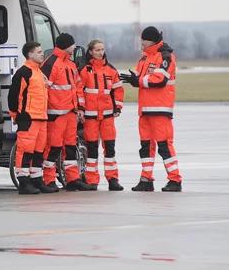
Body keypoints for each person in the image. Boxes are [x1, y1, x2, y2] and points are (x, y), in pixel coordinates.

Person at [121, 26, 183, 192]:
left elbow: (160, 79)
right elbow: (140, 78)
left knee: (164, 145)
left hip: (160, 109)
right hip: (145, 110)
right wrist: (133, 79)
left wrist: (138, 81)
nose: (141, 43)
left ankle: (175, 180)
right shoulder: (143, 59)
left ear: (151, 40)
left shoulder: (165, 56)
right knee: (145, 147)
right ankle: (146, 179)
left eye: (143, 40)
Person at [41, 33, 92, 191]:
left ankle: (72, 180)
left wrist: (81, 109)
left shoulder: (70, 64)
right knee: (53, 147)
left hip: (70, 113)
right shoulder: (51, 63)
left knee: (70, 148)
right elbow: (43, 90)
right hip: (55, 114)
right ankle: (48, 180)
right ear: (65, 45)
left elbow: (77, 88)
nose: (74, 48)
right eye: (72, 45)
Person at [78, 39, 125, 191]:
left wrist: (117, 106)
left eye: (102, 49)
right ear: (90, 52)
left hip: (107, 117)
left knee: (110, 150)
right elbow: (79, 91)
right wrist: (81, 108)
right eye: (97, 50)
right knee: (92, 150)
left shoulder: (111, 70)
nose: (100, 52)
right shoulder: (85, 70)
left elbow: (118, 90)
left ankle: (113, 179)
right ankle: (92, 181)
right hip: (90, 117)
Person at [8, 42, 50, 194]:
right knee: (25, 150)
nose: (41, 54)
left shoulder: (39, 72)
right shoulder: (24, 72)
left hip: (41, 117)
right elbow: (13, 95)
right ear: (30, 54)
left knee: (39, 151)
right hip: (28, 118)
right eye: (38, 52)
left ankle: (37, 179)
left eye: (41, 51)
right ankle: (24, 182)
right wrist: (15, 114)